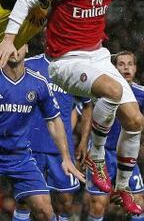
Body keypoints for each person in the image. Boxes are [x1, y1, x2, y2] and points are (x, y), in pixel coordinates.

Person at [0, 0, 144, 215]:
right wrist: (9, 39)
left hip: (96, 56)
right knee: (112, 90)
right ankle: (97, 157)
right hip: (64, 61)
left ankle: (121, 187)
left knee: (132, 119)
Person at [0, 44, 84, 221]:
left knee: (45, 211)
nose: (15, 50)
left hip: (20, 158)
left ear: (27, 48)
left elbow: (54, 120)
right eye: (11, 44)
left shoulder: (38, 82)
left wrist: (66, 158)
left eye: (20, 44)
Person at [87, 51, 144, 221]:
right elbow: (87, 113)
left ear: (135, 68)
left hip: (125, 155)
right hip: (102, 153)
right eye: (121, 64)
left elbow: (139, 118)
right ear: (114, 67)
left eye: (130, 64)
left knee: (139, 202)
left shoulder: (141, 92)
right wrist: (83, 145)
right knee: (99, 204)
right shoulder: (102, 88)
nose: (126, 67)